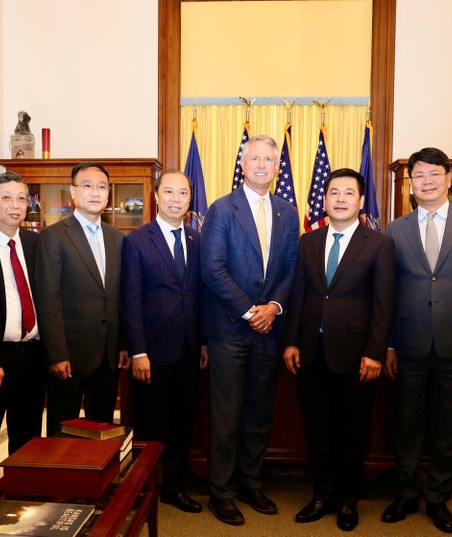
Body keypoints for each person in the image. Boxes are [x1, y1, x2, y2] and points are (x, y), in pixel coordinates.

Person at [382, 147, 452, 534]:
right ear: (410, 184)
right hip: (408, 341)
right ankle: (406, 492)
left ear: (449, 179)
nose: (426, 181)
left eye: (434, 174)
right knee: (407, 423)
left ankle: (438, 498)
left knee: (448, 426)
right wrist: (390, 344)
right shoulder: (396, 228)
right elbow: (389, 291)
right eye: (419, 175)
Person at [282, 168, 396, 532]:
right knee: (317, 431)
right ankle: (322, 495)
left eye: (349, 193)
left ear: (361, 201)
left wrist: (375, 352)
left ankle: (348, 500)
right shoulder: (309, 241)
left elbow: (383, 303)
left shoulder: (378, 244)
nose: (341, 199)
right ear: (325, 199)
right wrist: (291, 341)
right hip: (311, 353)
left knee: (351, 433)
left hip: (356, 356)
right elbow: (298, 294)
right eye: (334, 192)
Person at [200, 135, 300, 526]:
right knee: (226, 416)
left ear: (277, 166)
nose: (261, 165)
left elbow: (291, 269)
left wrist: (273, 308)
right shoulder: (222, 208)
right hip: (229, 329)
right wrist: (249, 311)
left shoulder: (287, 212)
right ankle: (222, 492)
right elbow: (212, 269)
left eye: (268, 159)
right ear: (242, 164)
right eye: (254, 158)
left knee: (259, 413)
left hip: (269, 330)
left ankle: (250, 482)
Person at [122, 170, 208, 514]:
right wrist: (138, 351)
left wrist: (203, 343)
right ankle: (139, 489)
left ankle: (173, 487)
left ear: (190, 199)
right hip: (152, 352)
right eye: (169, 192)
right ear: (156, 196)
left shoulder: (197, 240)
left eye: (183, 193)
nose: (176, 199)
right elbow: (131, 299)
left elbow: (199, 295)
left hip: (188, 350)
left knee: (182, 423)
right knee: (146, 423)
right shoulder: (137, 240)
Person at [35, 162, 129, 437]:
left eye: (102, 187)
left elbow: (120, 297)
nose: (95, 192)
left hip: (108, 356)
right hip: (70, 357)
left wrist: (123, 344)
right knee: (63, 434)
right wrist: (56, 354)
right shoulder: (54, 236)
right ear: (73, 191)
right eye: (87, 185)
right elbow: (48, 300)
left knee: (102, 432)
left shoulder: (118, 238)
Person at [0, 171, 45, 494]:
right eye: (6, 198)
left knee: (28, 435)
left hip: (32, 352)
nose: (15, 205)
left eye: (21, 198)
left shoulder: (35, 242)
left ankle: (23, 496)